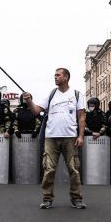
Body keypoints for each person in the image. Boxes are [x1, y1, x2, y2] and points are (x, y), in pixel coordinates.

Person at [23, 67, 86, 209]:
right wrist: (29, 101)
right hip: (51, 138)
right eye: (55, 75)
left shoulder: (76, 95)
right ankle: (47, 199)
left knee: (74, 169)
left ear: (66, 77)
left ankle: (76, 198)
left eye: (58, 75)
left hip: (70, 137)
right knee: (49, 169)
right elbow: (36, 111)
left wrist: (81, 136)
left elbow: (81, 117)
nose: (55, 77)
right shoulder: (51, 95)